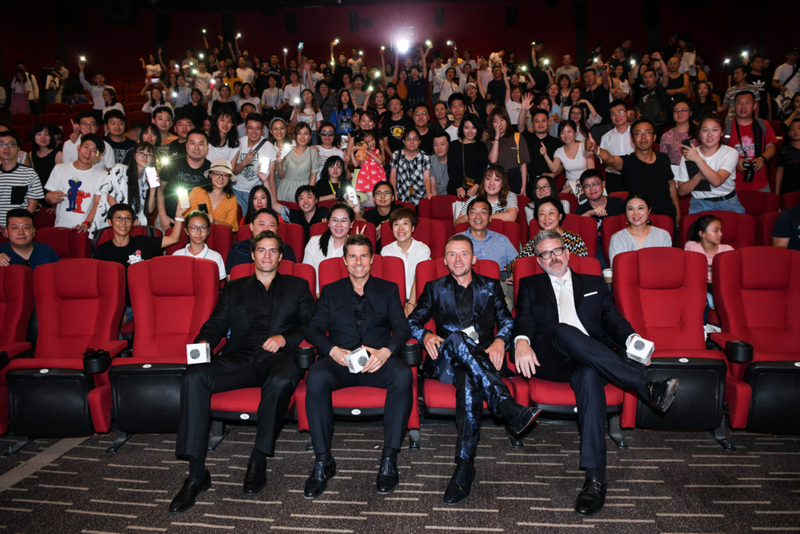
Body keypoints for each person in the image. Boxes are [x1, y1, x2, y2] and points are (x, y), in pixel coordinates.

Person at [514, 229, 679, 516]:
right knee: (562, 330)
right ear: (538, 261)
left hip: (592, 360)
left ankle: (595, 479)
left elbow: (611, 318)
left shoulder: (593, 282)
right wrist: (522, 343)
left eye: (557, 251)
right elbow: (524, 318)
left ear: (567, 253)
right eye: (545, 254)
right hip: (552, 359)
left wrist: (630, 339)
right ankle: (645, 385)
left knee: (589, 377)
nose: (553, 257)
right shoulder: (529, 285)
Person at [169, 230, 315, 514]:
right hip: (240, 356)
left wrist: (285, 338)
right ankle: (197, 474)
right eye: (261, 250)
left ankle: (258, 459)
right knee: (193, 376)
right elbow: (216, 323)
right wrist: (203, 342)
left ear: (281, 256)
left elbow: (312, 324)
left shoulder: (298, 286)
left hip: (276, 357)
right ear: (252, 254)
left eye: (273, 251)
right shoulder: (234, 288)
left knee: (284, 378)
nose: (267, 256)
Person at [407, 235, 540, 504]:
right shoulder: (434, 288)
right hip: (446, 359)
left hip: (483, 361)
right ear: (444, 261)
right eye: (452, 254)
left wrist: (501, 340)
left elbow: (506, 320)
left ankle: (464, 466)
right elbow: (410, 321)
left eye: (464, 254)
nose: (458, 259)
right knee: (456, 339)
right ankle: (506, 406)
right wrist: (425, 336)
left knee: (469, 377)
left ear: (474, 259)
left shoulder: (491, 287)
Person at [303, 234, 412, 498]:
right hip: (341, 363)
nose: (358, 261)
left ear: (372, 260)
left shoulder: (388, 289)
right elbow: (313, 328)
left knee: (403, 374)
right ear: (344, 260)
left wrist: (385, 353)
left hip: (377, 362)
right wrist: (332, 350)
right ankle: (322, 460)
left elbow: (402, 327)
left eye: (364, 256)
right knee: (316, 376)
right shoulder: (331, 291)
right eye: (352, 256)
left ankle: (389, 459)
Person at [93, 202, 185, 317]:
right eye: (118, 218)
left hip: (140, 303)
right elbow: (100, 285)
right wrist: (118, 310)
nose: (123, 222)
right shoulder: (102, 250)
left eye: (128, 219)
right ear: (110, 222)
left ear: (132, 223)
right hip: (114, 304)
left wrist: (178, 215)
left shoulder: (142, 242)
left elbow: (174, 238)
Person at [587, 119, 681, 223]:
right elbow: (610, 159)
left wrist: (677, 212)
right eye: (638, 133)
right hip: (640, 218)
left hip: (666, 215)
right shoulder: (627, 162)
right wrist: (596, 149)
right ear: (632, 138)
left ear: (654, 137)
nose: (643, 137)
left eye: (647, 132)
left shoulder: (663, 158)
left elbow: (671, 185)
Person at [88, 142, 158, 239]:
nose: (145, 157)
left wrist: (153, 188)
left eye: (149, 155)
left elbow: (150, 210)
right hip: (111, 223)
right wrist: (126, 219)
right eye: (141, 153)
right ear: (134, 155)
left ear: (153, 159)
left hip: (132, 226)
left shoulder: (146, 179)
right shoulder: (120, 169)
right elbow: (110, 198)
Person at [676, 114, 743, 214]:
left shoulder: (730, 152)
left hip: (728, 202)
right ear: (699, 134)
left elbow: (717, 181)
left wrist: (697, 159)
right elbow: (681, 191)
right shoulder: (689, 154)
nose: (710, 134)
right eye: (705, 130)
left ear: (722, 133)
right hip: (700, 204)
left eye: (715, 129)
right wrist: (698, 177)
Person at [45, 134, 107, 231]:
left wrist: (86, 224)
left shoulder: (103, 175)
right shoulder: (59, 168)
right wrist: (48, 197)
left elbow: (97, 203)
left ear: (98, 156)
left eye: (94, 150)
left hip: (85, 229)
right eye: (86, 147)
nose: (88, 152)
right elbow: (50, 197)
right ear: (78, 147)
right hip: (61, 225)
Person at [510, 196, 588, 273]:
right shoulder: (535, 241)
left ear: (560, 216)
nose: (546, 218)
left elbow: (584, 266)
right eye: (542, 214)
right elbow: (515, 264)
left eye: (551, 213)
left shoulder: (574, 240)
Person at [157, 129, 211, 230]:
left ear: (207, 147)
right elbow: (160, 188)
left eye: (201, 144)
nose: (196, 148)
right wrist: (163, 215)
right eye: (192, 143)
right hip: (169, 218)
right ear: (186, 146)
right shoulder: (173, 163)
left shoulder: (211, 170)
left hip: (197, 224)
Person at [380, 208, 431, 313]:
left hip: (419, 302)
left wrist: (411, 306)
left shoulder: (422, 249)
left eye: (405, 223)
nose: (400, 229)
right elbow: (390, 282)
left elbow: (419, 278)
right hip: (394, 303)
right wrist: (401, 307)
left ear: (413, 228)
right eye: (396, 224)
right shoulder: (386, 251)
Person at [684, 214, 733, 321]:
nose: (720, 234)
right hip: (701, 288)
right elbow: (688, 271)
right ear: (702, 233)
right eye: (715, 231)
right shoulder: (691, 246)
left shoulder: (727, 249)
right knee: (699, 297)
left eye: (720, 230)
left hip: (720, 289)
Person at [725, 91, 777, 193]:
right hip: (731, 186)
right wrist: (735, 161)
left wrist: (762, 159)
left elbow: (771, 147)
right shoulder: (726, 127)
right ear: (733, 107)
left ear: (755, 106)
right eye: (739, 103)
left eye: (747, 103)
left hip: (760, 184)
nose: (743, 107)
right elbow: (717, 152)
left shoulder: (763, 124)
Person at [226, 208, 297, 276]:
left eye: (271, 225)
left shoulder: (286, 250)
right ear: (251, 226)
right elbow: (231, 280)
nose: (266, 229)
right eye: (262, 224)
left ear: (277, 228)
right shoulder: (237, 249)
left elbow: (290, 280)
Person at [608, 194, 673, 267]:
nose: (636, 213)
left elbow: (666, 266)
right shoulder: (617, 238)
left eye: (640, 208)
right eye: (631, 209)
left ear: (649, 210)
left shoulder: (663, 235)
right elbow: (617, 269)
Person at [458, 197, 518, 273]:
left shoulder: (502, 240)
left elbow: (518, 264)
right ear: (467, 217)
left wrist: (512, 274)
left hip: (498, 283)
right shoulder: (457, 241)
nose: (478, 216)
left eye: (483, 212)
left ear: (490, 218)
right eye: (473, 212)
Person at [304, 202, 356, 290]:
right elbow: (307, 274)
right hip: (317, 297)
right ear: (328, 223)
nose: (338, 225)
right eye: (334, 220)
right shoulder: (314, 242)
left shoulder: (355, 247)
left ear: (351, 224)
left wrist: (359, 246)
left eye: (343, 220)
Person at [232, 113, 276, 212]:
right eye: (250, 128)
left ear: (263, 130)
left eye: (258, 128)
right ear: (245, 129)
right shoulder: (239, 143)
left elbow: (271, 176)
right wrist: (244, 163)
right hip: (236, 191)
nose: (254, 132)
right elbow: (233, 171)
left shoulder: (268, 147)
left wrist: (273, 202)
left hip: (256, 194)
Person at [0, 131, 43, 227]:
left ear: (18, 150)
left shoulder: (30, 174)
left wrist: (15, 227)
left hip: (17, 228)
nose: (6, 148)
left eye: (11, 144)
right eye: (2, 144)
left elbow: (31, 206)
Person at [544, 120, 594, 197]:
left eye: (569, 131)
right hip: (569, 188)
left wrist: (573, 186)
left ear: (575, 132)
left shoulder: (585, 147)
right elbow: (554, 169)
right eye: (562, 133)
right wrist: (545, 155)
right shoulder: (559, 151)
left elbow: (591, 172)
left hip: (586, 184)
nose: (566, 135)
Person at [188, 158, 239, 232]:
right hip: (196, 234)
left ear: (229, 178)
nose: (221, 178)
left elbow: (231, 227)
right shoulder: (197, 191)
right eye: (217, 174)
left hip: (220, 237)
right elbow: (187, 217)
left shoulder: (231, 199)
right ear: (210, 175)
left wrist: (215, 222)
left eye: (225, 175)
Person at [487, 108, 529, 195]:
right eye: (495, 121)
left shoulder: (518, 137)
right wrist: (497, 137)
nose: (499, 123)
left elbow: (523, 163)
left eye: (502, 119)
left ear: (507, 121)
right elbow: (493, 160)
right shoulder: (490, 141)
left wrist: (523, 186)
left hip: (515, 177)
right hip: (498, 178)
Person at [446, 114, 489, 197]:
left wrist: (476, 187)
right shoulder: (453, 145)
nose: (470, 131)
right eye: (466, 127)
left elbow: (482, 169)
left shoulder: (482, 147)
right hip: (455, 189)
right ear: (462, 128)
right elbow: (451, 169)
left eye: (473, 128)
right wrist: (458, 187)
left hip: (476, 190)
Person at [277, 123, 320, 202]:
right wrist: (280, 163)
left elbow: (313, 176)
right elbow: (281, 176)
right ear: (295, 135)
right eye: (299, 133)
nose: (302, 137)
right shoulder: (287, 150)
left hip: (303, 192)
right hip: (285, 189)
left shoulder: (313, 152)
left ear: (310, 136)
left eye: (306, 134)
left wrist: (308, 195)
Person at [389, 128, 433, 205]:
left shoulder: (425, 157)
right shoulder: (396, 155)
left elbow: (426, 178)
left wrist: (428, 193)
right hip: (401, 195)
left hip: (419, 196)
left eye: (415, 139)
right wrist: (394, 193)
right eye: (408, 139)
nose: (412, 142)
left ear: (419, 141)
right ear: (404, 141)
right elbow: (393, 176)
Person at [598, 100, 633, 193]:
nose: (617, 116)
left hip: (634, 176)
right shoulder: (606, 137)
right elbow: (602, 161)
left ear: (628, 113)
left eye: (620, 112)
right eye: (613, 114)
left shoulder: (636, 134)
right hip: (613, 178)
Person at [24, 124, 62, 195]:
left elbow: (60, 179)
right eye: (39, 134)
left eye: (46, 134)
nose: (43, 137)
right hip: (36, 192)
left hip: (52, 193)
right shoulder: (31, 154)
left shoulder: (58, 154)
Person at [659, 99, 695, 166]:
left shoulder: (699, 133)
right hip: (674, 172)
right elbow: (663, 161)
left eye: (683, 110)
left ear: (690, 113)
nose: (679, 113)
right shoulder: (666, 136)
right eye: (676, 111)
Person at [381, 96, 414, 160]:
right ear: (389, 108)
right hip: (394, 155)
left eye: (397, 104)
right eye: (392, 104)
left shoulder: (409, 120)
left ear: (401, 106)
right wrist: (392, 155)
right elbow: (385, 144)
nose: (394, 106)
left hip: (409, 154)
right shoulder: (386, 123)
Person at [776, 118, 800, 195]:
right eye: (792, 129)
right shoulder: (783, 150)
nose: (796, 131)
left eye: (799, 128)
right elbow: (779, 172)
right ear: (789, 133)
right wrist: (777, 194)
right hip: (789, 191)